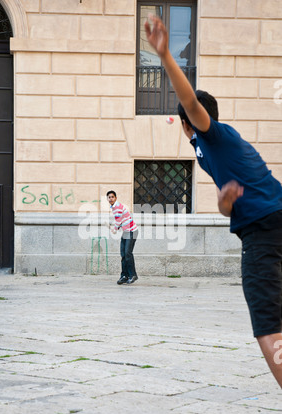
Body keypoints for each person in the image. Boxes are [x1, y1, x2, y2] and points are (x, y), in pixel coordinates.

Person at [145, 14, 282, 388]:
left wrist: (164, 55)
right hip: (267, 222)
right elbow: (228, 208)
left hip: (266, 232)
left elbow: (189, 100)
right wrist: (224, 202)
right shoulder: (212, 153)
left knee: (268, 327)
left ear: (191, 123)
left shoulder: (214, 135)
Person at [106, 190, 138, 285]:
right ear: (107, 199)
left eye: (112, 197)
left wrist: (115, 229)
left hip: (132, 231)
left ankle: (133, 275)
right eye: (109, 197)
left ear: (116, 198)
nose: (111, 198)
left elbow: (118, 219)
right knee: (123, 255)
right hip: (126, 232)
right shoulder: (113, 207)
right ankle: (124, 276)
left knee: (128, 253)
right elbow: (122, 220)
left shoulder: (117, 206)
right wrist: (117, 227)